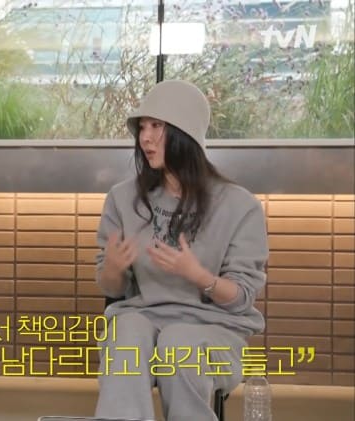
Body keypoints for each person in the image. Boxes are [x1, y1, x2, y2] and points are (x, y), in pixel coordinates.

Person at [93, 80, 269, 421]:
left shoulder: (239, 205)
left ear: (184, 132)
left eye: (156, 126)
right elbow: (112, 288)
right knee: (126, 332)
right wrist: (113, 269)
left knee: (178, 343)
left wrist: (198, 275)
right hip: (142, 318)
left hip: (215, 329)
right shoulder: (122, 198)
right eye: (142, 127)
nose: (145, 138)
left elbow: (241, 298)